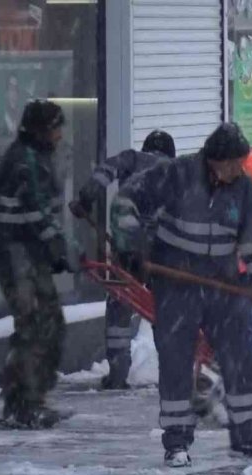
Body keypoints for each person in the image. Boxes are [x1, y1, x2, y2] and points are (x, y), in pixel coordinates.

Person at [112, 123, 252, 467]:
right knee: (176, 362)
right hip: (176, 285)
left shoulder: (244, 189)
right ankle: (176, 442)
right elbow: (126, 199)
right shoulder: (176, 175)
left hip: (222, 285)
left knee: (240, 360)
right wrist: (131, 244)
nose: (238, 170)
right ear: (214, 160)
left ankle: (246, 437)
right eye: (233, 163)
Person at [71, 129, 176, 391]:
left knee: (120, 308)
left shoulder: (132, 159)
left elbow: (103, 173)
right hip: (165, 253)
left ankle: (118, 375)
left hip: (128, 249)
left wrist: (85, 199)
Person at [0, 99, 73, 429]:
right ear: (41, 130)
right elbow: (36, 213)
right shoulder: (27, 162)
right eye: (56, 129)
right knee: (36, 326)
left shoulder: (36, 157)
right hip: (17, 253)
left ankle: (30, 397)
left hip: (27, 252)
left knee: (48, 323)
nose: (60, 136)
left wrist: (56, 249)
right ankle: (24, 404)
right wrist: (59, 251)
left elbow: (44, 213)